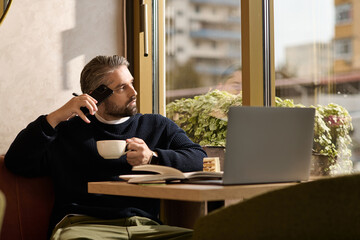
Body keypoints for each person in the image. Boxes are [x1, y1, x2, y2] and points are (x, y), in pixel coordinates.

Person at [4, 55, 207, 240]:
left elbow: (201, 159)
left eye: (131, 83)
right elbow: (16, 162)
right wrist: (56, 116)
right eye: (121, 88)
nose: (134, 92)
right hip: (83, 226)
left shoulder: (156, 126)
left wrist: (153, 157)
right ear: (96, 96)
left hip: (145, 227)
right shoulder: (66, 132)